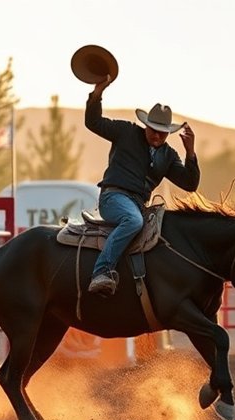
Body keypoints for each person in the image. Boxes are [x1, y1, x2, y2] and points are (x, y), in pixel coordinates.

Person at [84, 75, 200, 296]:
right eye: (153, 129)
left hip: (138, 204)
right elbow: (93, 122)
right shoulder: (126, 132)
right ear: (145, 125)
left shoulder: (169, 155)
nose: (156, 134)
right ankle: (101, 271)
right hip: (113, 197)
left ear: (169, 132)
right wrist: (97, 93)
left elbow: (190, 184)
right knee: (133, 221)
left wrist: (190, 152)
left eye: (162, 131)